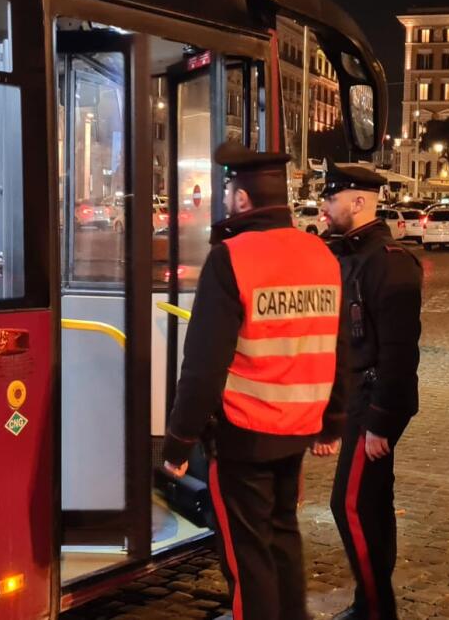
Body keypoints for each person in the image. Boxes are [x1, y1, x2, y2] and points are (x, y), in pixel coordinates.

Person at [162, 142, 348, 620]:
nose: (226, 200)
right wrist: (332, 422)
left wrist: (179, 442)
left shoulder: (231, 258)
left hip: (244, 434)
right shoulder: (321, 255)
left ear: (242, 198)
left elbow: (203, 364)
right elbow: (339, 346)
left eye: (228, 191)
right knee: (283, 535)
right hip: (297, 430)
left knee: (249, 557)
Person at [319, 164, 422, 620]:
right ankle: (371, 603)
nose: (323, 206)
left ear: (359, 202)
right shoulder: (351, 254)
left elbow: (400, 352)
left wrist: (380, 419)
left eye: (332, 198)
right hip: (357, 399)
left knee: (351, 505)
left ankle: (376, 609)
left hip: (373, 400)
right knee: (372, 504)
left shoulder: (388, 261)